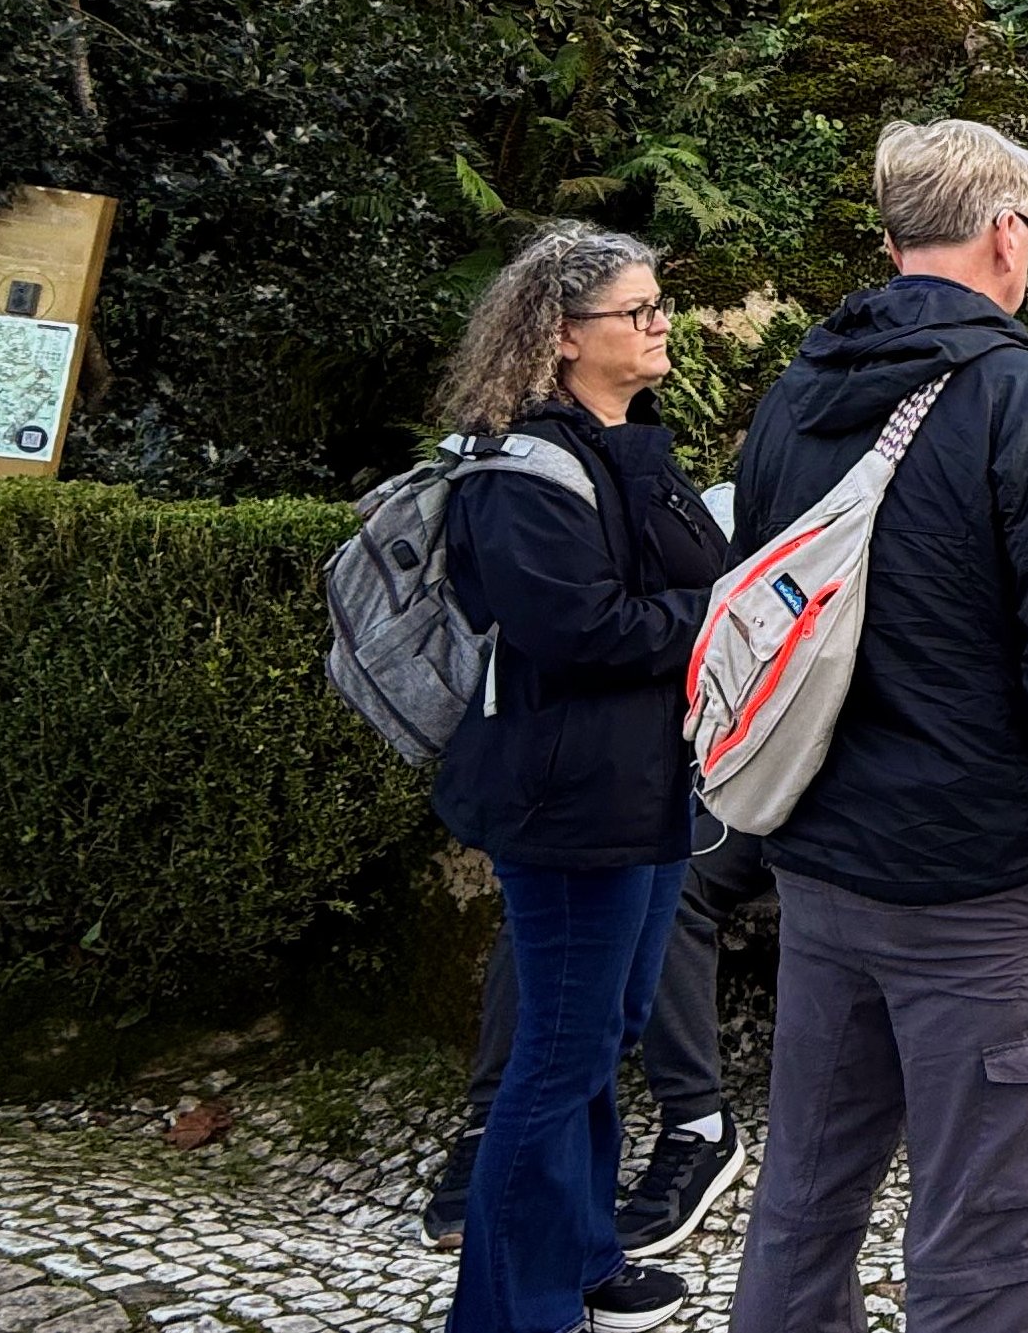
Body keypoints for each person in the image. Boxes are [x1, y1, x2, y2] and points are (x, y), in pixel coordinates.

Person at [727, 119, 1028, 1333]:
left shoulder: (794, 396)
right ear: (1008, 235)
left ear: (891, 237)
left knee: (803, 1204)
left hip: (821, 869)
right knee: (989, 1235)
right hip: (982, 886)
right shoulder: (1019, 398)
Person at [431, 223, 732, 1333]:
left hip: (646, 794)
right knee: (555, 1060)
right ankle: (509, 1311)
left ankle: (583, 1254)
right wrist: (725, 613)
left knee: (601, 1037)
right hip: (568, 807)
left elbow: (689, 566)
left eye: (660, 308)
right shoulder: (516, 472)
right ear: (562, 335)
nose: (661, 327)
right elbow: (584, 631)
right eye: (637, 313)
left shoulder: (624, 443)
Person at [419, 822, 765, 1259]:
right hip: (644, 788)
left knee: (667, 883)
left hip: (765, 791)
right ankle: (496, 1119)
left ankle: (699, 1123)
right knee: (545, 882)